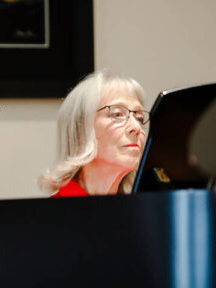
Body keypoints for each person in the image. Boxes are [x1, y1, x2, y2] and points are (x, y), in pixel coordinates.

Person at [39, 69, 148, 197]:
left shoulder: (144, 211)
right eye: (117, 114)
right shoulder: (52, 214)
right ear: (80, 131)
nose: (136, 127)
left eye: (139, 118)